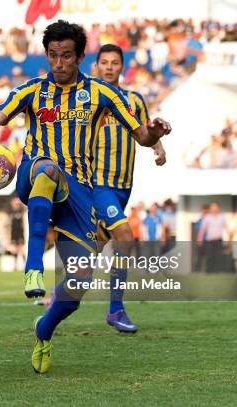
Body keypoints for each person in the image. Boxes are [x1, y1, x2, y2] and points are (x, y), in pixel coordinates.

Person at [0, 20, 170, 374]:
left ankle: (44, 329)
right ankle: (32, 268)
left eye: (66, 57)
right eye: (52, 55)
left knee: (78, 285)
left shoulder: (103, 95)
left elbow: (140, 136)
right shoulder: (32, 90)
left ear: (79, 58)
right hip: (35, 173)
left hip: (79, 193)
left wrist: (154, 131)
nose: (58, 64)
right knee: (46, 169)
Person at [92, 44, 170, 333]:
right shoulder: (88, 100)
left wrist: (158, 143)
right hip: (98, 183)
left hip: (124, 187)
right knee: (125, 237)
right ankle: (116, 309)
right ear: (96, 66)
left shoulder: (134, 100)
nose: (110, 67)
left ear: (122, 67)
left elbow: (143, 133)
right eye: (104, 62)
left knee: (92, 251)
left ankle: (61, 297)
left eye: (115, 62)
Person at [197, 202, 226, 273]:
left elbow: (226, 228)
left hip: (219, 240)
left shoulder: (222, 217)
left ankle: (217, 271)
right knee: (209, 256)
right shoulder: (207, 217)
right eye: (212, 207)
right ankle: (209, 271)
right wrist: (199, 239)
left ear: (218, 208)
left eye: (215, 207)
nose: (214, 209)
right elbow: (202, 229)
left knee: (218, 256)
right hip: (209, 240)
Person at [8, 197, 25, 271]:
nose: (15, 205)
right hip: (13, 233)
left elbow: (24, 206)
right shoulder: (10, 212)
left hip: (20, 232)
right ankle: (15, 265)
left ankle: (24, 265)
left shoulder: (21, 211)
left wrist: (19, 201)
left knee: (21, 249)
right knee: (15, 249)